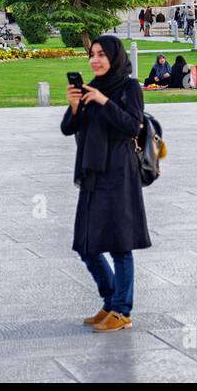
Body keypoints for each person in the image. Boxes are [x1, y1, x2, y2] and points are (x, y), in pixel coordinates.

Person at [61, 35, 151, 332]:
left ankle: (122, 310)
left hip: (119, 173)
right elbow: (67, 129)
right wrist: (75, 106)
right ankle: (111, 300)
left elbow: (131, 125)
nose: (95, 60)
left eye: (101, 55)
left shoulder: (129, 87)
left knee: (120, 244)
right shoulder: (90, 87)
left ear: (114, 57)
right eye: (92, 55)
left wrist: (103, 101)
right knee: (86, 244)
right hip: (91, 172)